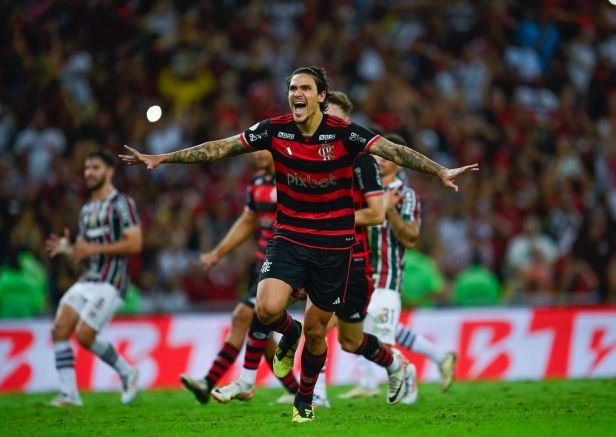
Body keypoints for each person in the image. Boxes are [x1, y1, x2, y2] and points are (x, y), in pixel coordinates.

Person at [120, 66, 478, 422]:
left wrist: (439, 170)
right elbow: (220, 148)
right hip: (289, 238)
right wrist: (164, 158)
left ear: (321, 96)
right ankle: (286, 340)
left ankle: (304, 401)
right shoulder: (275, 130)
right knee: (265, 309)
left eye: (305, 87)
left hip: (334, 248)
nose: (296, 94)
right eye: (292, 88)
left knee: (322, 331)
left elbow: (394, 152)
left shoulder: (346, 135)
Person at [339, 133, 456, 403]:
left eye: (386, 156)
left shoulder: (406, 196)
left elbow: (412, 238)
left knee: (377, 339)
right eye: (376, 155)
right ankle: (434, 358)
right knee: (358, 334)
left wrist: (387, 210)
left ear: (399, 164)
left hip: (386, 279)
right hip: (358, 273)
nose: (379, 160)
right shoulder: (364, 190)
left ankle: (405, 378)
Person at [179, 150, 299, 404]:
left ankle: (214, 381)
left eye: (263, 148)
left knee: (245, 316)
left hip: (285, 264)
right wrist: (216, 254)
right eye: (254, 149)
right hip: (261, 265)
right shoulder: (257, 182)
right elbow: (247, 222)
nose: (256, 154)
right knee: (260, 331)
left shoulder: (294, 180)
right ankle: (295, 391)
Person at [45, 150, 142, 407]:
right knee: (59, 329)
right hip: (89, 279)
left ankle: (127, 372)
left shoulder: (121, 203)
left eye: (95, 167)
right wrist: (69, 248)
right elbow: (84, 249)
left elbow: (135, 243)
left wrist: (93, 249)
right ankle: (69, 394)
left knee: (85, 335)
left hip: (112, 282)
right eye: (87, 168)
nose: (89, 173)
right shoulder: (87, 209)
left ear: (109, 171)